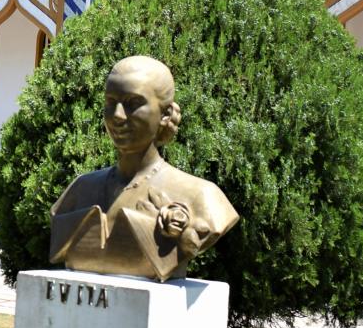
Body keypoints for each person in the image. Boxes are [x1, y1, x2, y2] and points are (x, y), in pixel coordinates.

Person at [49, 55, 238, 281]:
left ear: (165, 114)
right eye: (111, 103)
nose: (118, 116)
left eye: (133, 103)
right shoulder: (80, 190)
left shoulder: (203, 197)